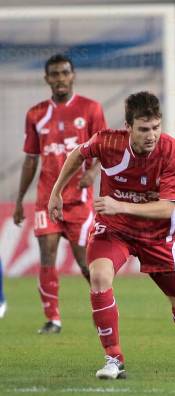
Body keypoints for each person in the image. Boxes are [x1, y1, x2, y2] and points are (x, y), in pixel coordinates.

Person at [48, 91, 175, 379]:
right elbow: (77, 154)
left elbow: (168, 209)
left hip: (157, 238)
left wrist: (120, 204)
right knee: (99, 277)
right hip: (115, 229)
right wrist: (56, 192)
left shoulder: (174, 153)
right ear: (128, 127)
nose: (151, 135)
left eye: (156, 127)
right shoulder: (108, 141)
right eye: (144, 129)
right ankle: (113, 358)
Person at [13, 54, 107, 334]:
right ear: (47, 79)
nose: (60, 78)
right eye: (54, 74)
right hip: (46, 199)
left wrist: (93, 173)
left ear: (73, 75)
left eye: (64, 72)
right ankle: (52, 319)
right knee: (47, 255)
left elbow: (106, 146)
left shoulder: (90, 109)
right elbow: (31, 159)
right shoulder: (36, 114)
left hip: (79, 201)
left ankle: (102, 310)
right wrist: (19, 200)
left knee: (85, 262)